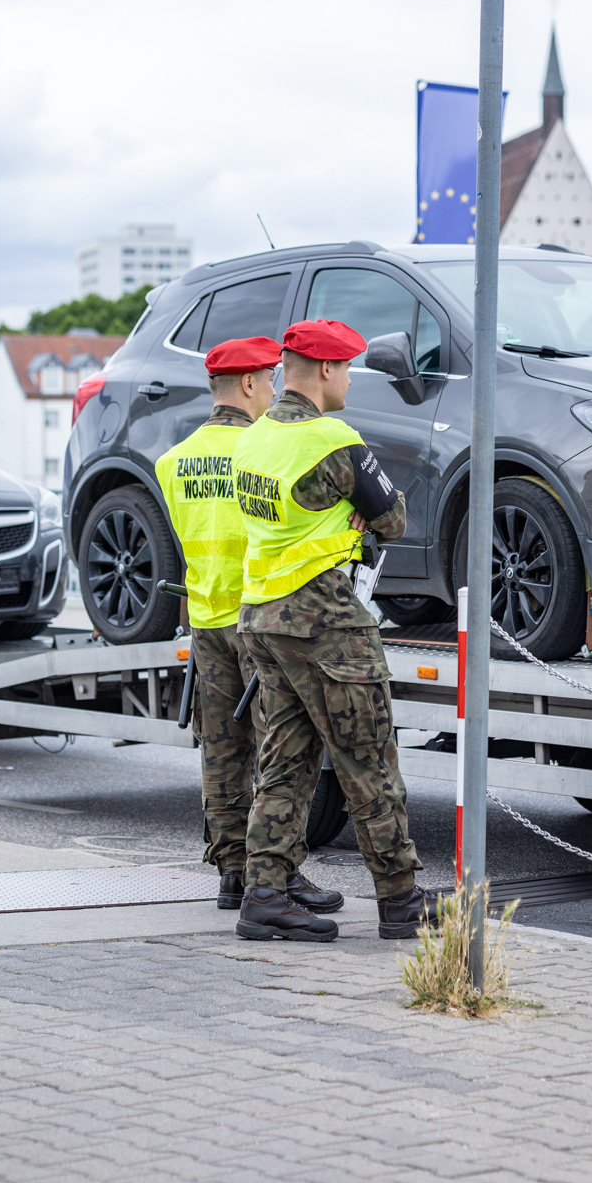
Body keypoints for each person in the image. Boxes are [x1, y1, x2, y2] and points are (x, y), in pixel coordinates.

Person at [233, 317, 439, 943]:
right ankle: (401, 900)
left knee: (285, 760)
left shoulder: (253, 438)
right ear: (325, 369)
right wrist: (358, 514)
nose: (349, 379)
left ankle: (264, 895)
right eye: (347, 368)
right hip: (327, 621)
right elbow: (394, 519)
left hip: (263, 616)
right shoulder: (333, 439)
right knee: (368, 759)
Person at [155, 336, 343, 919]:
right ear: (246, 384)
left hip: (207, 619)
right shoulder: (259, 449)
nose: (273, 391)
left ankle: (232, 875)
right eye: (268, 381)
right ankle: (278, 875)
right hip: (259, 617)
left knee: (221, 753)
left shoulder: (173, 461)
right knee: (280, 753)